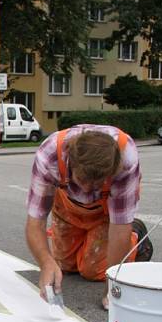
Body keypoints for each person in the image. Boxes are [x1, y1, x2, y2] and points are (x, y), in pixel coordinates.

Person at [24, 125, 153, 309]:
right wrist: (45, 263)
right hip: (68, 208)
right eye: (82, 180)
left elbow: (119, 226)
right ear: (71, 163)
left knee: (93, 270)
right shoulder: (50, 155)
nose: (86, 189)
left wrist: (112, 288)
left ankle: (136, 237)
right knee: (62, 266)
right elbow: (35, 221)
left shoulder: (126, 159)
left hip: (105, 213)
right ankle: (84, 244)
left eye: (97, 184)